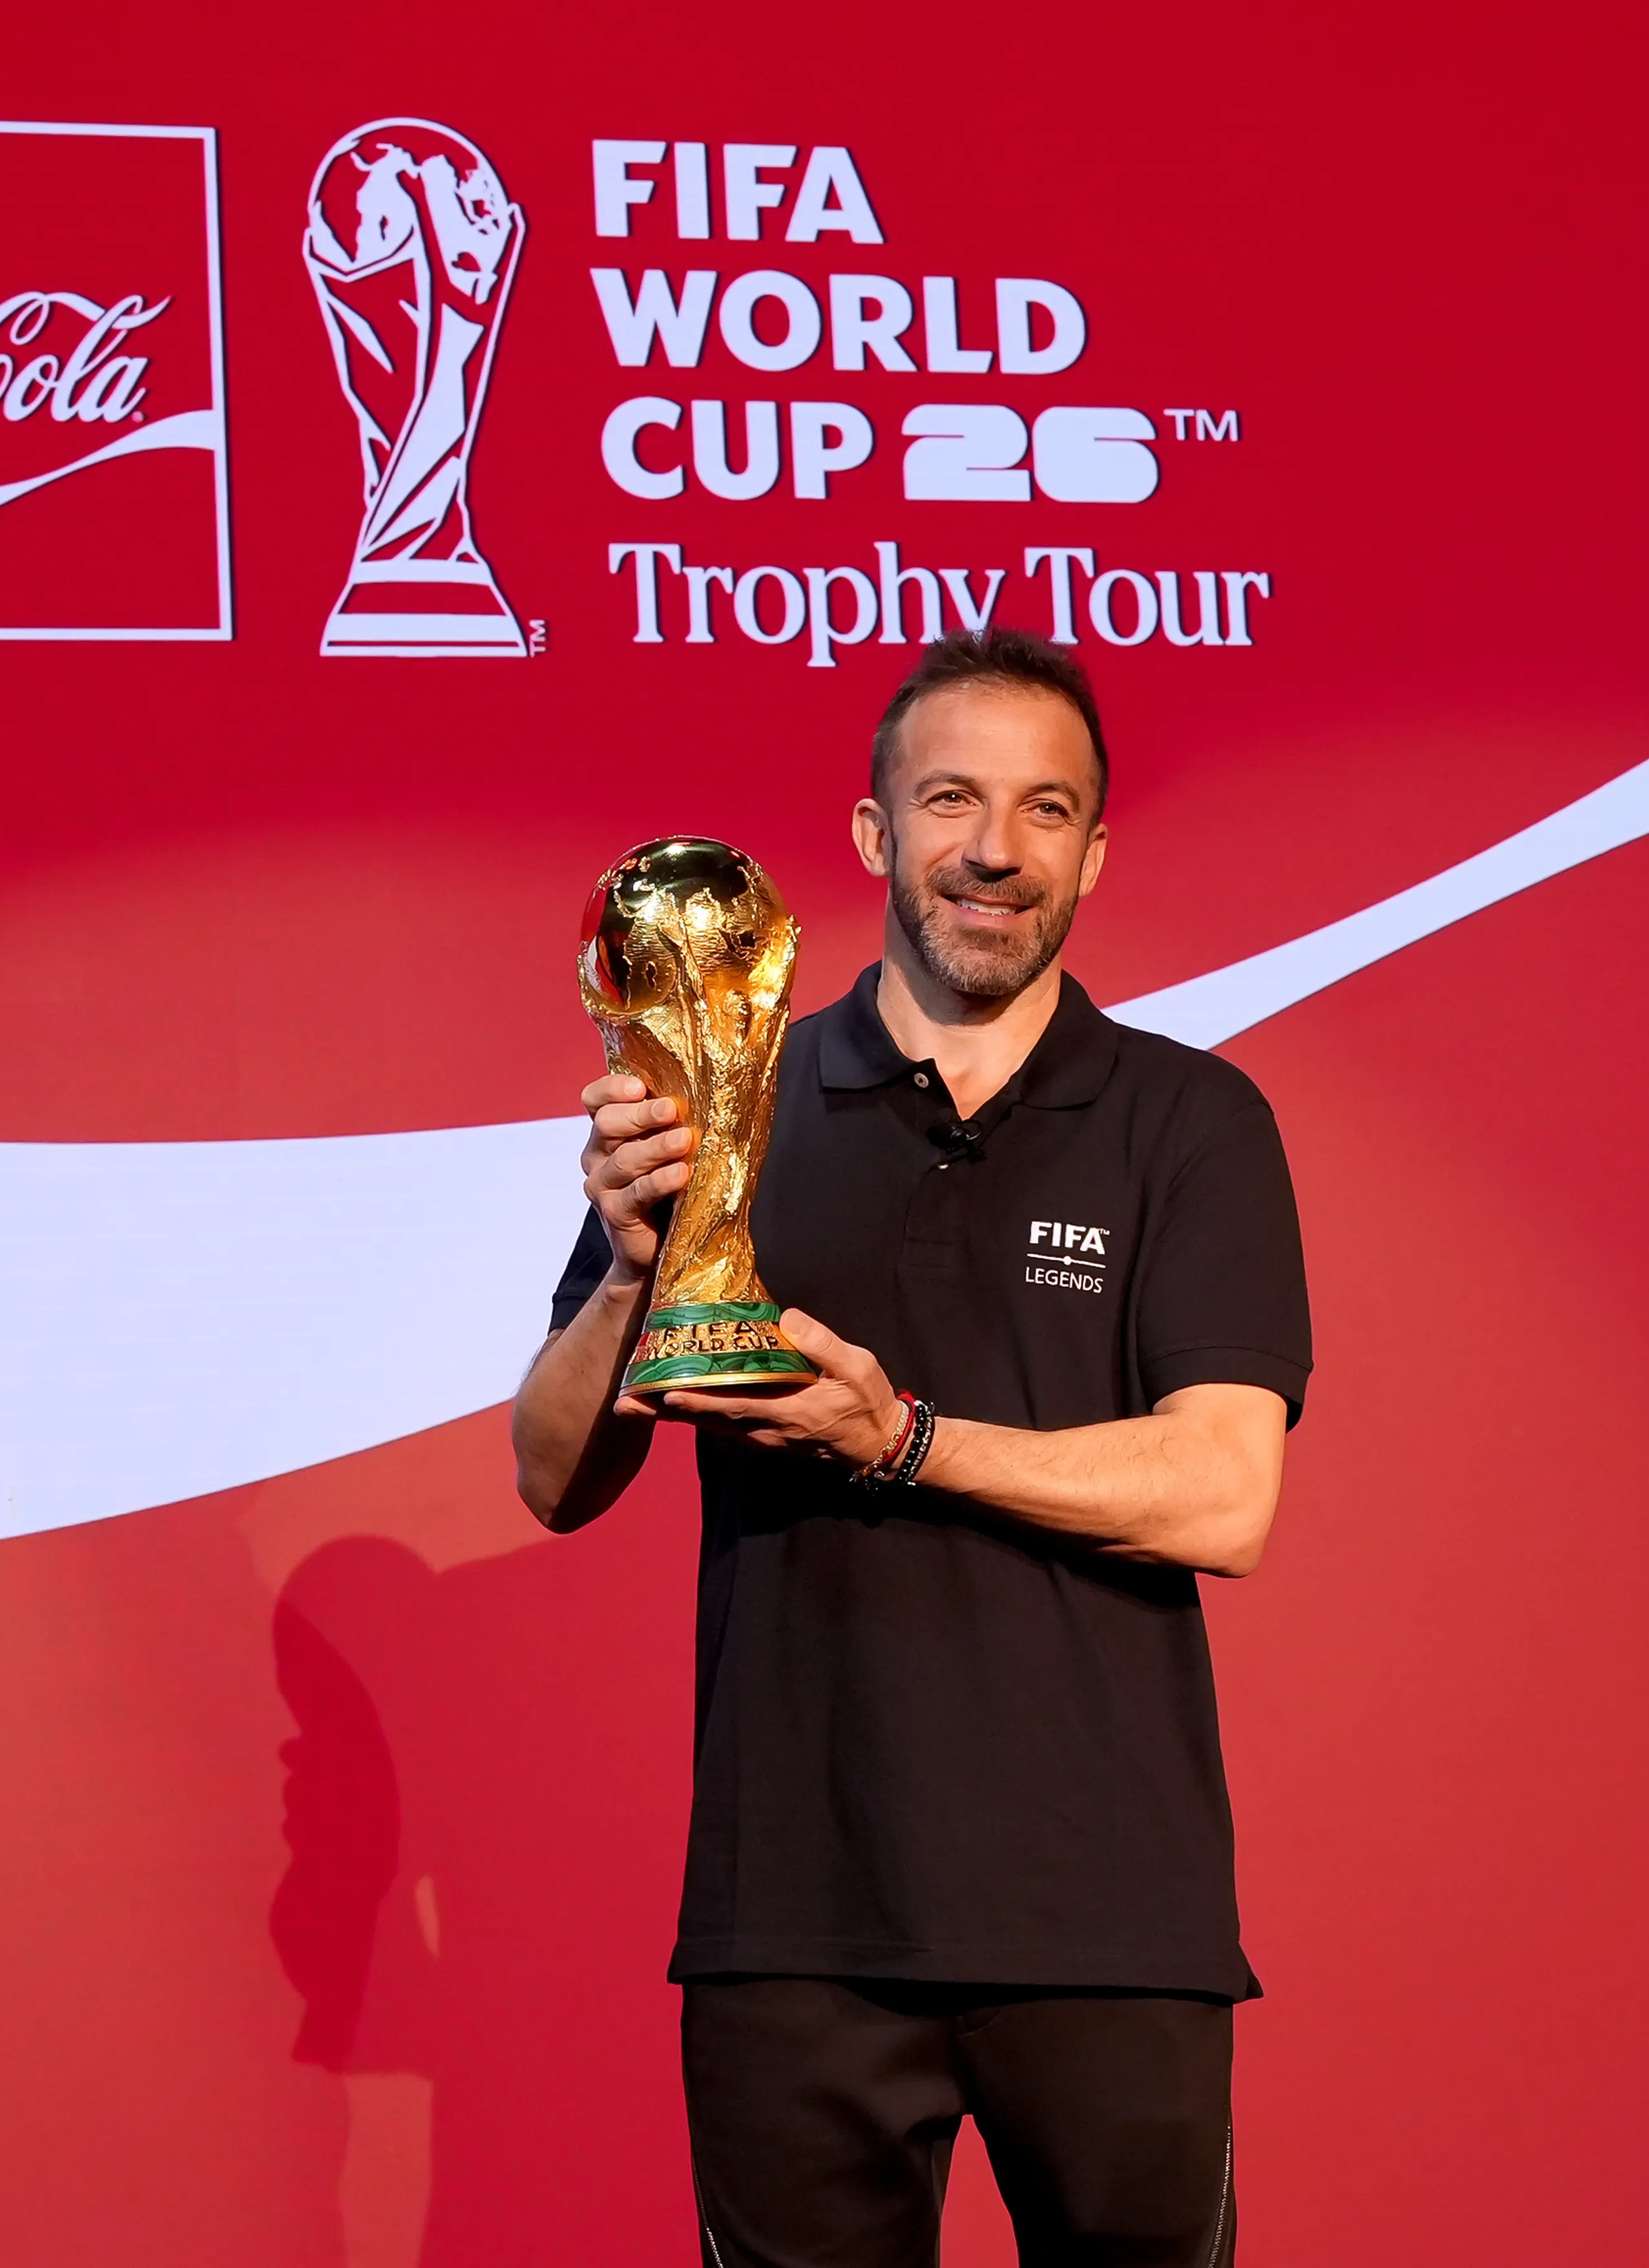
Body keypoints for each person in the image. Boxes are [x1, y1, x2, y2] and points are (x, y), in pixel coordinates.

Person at [509, 629, 1312, 2268]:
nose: (993, 851)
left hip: (1107, 1920)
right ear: (876, 834)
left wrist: (905, 1440)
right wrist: (625, 1266)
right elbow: (553, 1475)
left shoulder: (1190, 1119)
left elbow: (1225, 1493)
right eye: (950, 801)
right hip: (792, 1918)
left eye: (1043, 810)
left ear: (1093, 850)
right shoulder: (731, 1098)